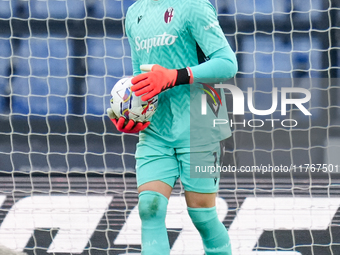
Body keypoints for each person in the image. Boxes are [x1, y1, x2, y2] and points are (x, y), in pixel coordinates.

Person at [107, 0, 237, 254]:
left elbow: (227, 63)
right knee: (149, 209)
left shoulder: (194, 6)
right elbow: (139, 76)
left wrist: (173, 76)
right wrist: (131, 112)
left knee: (202, 216)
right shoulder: (134, 12)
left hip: (200, 125)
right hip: (156, 131)